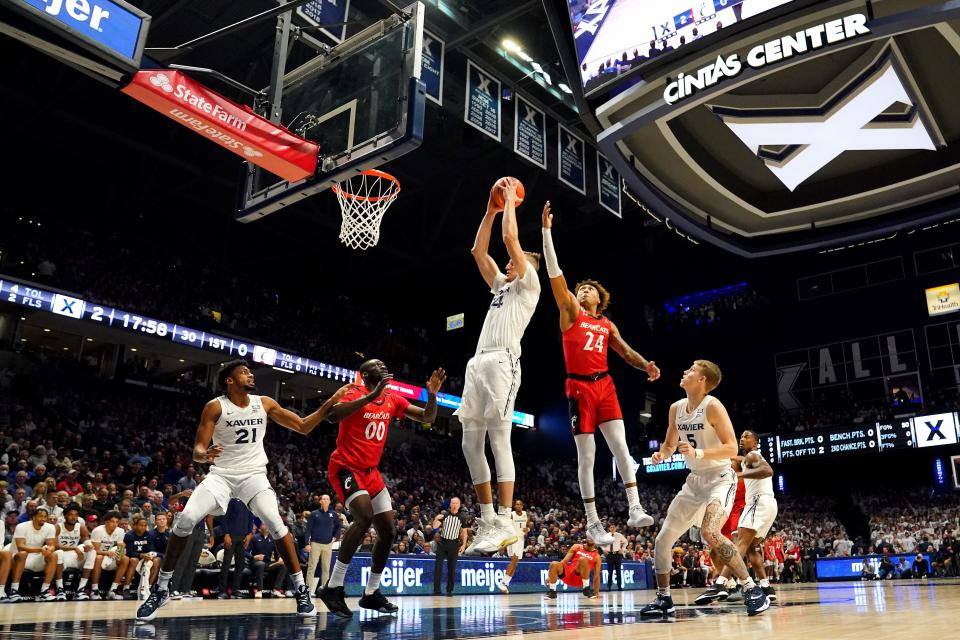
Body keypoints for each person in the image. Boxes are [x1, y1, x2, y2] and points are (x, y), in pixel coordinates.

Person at [136, 360, 352, 621]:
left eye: (250, 371)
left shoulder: (264, 402)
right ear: (229, 380)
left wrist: (331, 400)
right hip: (221, 476)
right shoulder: (215, 406)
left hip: (254, 475)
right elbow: (198, 450)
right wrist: (204, 457)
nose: (250, 374)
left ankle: (301, 589)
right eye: (244, 372)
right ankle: (161, 589)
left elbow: (304, 426)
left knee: (275, 522)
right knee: (185, 520)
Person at [541, 206, 659, 545]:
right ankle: (593, 523)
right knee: (587, 456)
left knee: (622, 447)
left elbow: (625, 351)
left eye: (589, 289)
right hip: (579, 388)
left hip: (605, 385)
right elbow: (555, 275)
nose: (583, 292)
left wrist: (646, 365)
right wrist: (547, 233)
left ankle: (635, 507)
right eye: (580, 290)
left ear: (599, 299)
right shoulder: (570, 313)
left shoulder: (606, 324)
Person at [640, 361, 768, 617]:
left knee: (710, 531)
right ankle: (664, 598)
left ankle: (752, 589)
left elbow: (732, 448)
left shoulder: (712, 405)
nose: (685, 371)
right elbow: (669, 445)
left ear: (702, 380)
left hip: (721, 478)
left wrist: (698, 451)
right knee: (662, 539)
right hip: (695, 480)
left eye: (691, 369)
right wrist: (660, 455)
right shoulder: (676, 408)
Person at [320, 359, 445, 618]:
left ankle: (371, 593)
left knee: (388, 531)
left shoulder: (392, 398)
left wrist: (432, 395)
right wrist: (371, 396)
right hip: (346, 467)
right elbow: (333, 415)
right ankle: (333, 586)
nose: (385, 367)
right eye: (378, 365)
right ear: (365, 374)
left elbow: (427, 418)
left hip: (371, 473)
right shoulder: (353, 392)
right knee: (364, 517)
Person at [458, 180, 541, 554]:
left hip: (503, 362)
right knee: (469, 442)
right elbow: (478, 250)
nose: (510, 262)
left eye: (517, 260)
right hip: (478, 363)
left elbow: (510, 239)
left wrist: (509, 203)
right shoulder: (500, 287)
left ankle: (507, 518)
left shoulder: (529, 285)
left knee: (498, 438)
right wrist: (490, 210)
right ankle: (489, 519)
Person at [695, 430, 778, 604]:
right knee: (749, 548)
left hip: (756, 502)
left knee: (739, 544)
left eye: (746, 437)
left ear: (755, 443)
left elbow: (768, 470)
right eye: (741, 436)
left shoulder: (753, 456)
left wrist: (739, 475)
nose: (742, 439)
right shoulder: (746, 458)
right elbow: (737, 459)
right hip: (768, 504)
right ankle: (766, 587)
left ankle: (720, 584)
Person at [8, 505, 58, 602]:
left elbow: (52, 545)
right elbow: (20, 546)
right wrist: (40, 550)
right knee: (23, 553)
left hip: (35, 558)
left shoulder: (50, 527)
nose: (43, 519)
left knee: (53, 555)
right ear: (33, 517)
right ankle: (14, 590)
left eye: (45, 517)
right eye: (40, 516)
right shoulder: (21, 526)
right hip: (16, 557)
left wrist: (49, 549)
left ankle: (45, 591)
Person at [86, 510, 130, 600]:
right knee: (99, 557)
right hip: (97, 556)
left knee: (125, 559)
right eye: (112, 521)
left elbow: (120, 549)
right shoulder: (97, 530)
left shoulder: (120, 531)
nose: (115, 524)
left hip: (111, 556)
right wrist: (107, 553)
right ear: (106, 522)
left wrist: (121, 551)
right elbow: (95, 550)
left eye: (117, 522)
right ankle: (94, 589)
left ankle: (113, 589)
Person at [431, 497, 469, 596]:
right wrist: (436, 519)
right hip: (442, 543)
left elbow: (464, 533)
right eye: (452, 503)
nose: (454, 505)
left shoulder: (462, 517)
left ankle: (449, 590)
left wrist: (464, 545)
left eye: (456, 503)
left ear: (459, 505)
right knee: (438, 567)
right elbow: (434, 527)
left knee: (452, 568)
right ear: (450, 504)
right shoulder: (444, 515)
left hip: (454, 544)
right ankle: (436, 590)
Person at [54, 503, 92, 600]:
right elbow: (55, 546)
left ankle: (81, 589)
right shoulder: (57, 527)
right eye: (71, 514)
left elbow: (87, 542)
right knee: (59, 553)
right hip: (61, 556)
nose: (73, 517)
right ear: (65, 515)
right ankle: (60, 589)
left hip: (75, 556)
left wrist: (88, 546)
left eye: (76, 515)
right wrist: (75, 548)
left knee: (92, 552)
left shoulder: (81, 527)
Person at [218, 498, 253, 599]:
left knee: (240, 565)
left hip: (243, 537)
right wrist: (226, 534)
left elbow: (250, 517)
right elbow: (224, 517)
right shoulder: (231, 500)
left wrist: (250, 533)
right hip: (231, 536)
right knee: (226, 564)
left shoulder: (248, 501)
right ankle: (222, 591)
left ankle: (235, 590)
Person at [306, 494, 341, 595]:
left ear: (330, 501)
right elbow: (308, 529)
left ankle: (324, 590)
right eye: (323, 499)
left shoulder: (333, 514)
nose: (325, 501)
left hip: (328, 544)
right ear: (320, 501)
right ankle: (307, 589)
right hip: (315, 543)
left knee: (326, 568)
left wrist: (335, 537)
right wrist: (307, 543)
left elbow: (339, 526)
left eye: (327, 499)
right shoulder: (314, 514)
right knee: (312, 567)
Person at [496, 499, 531, 593]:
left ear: (522, 506)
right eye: (517, 504)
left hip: (521, 540)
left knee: (515, 563)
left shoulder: (525, 514)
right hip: (513, 539)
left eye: (520, 504)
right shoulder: (511, 514)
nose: (518, 506)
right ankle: (502, 582)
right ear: (514, 506)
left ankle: (506, 583)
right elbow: (505, 527)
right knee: (514, 560)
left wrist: (527, 529)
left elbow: (528, 525)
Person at [123, 515, 159, 600]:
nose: (143, 527)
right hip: (133, 557)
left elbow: (151, 549)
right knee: (133, 560)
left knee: (156, 561)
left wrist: (149, 555)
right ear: (135, 526)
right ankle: (126, 588)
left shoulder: (149, 535)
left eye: (144, 525)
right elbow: (129, 552)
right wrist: (140, 555)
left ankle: (148, 588)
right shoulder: (129, 535)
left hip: (143, 558)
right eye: (140, 525)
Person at [250, 522, 288, 597]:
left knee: (283, 565)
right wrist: (254, 557)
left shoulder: (272, 539)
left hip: (268, 563)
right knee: (261, 564)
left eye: (268, 525)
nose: (267, 526)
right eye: (264, 524)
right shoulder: (254, 537)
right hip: (255, 562)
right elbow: (245, 552)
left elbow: (277, 553)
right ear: (260, 527)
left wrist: (280, 558)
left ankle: (276, 590)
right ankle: (259, 590)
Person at [603, 523, 628, 591]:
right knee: (610, 572)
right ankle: (609, 587)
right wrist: (604, 549)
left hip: (617, 554)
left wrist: (622, 549)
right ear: (609, 528)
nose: (612, 528)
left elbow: (626, 542)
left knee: (618, 572)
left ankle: (619, 587)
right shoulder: (606, 536)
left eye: (614, 527)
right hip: (609, 554)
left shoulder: (619, 535)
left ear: (616, 528)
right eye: (611, 527)